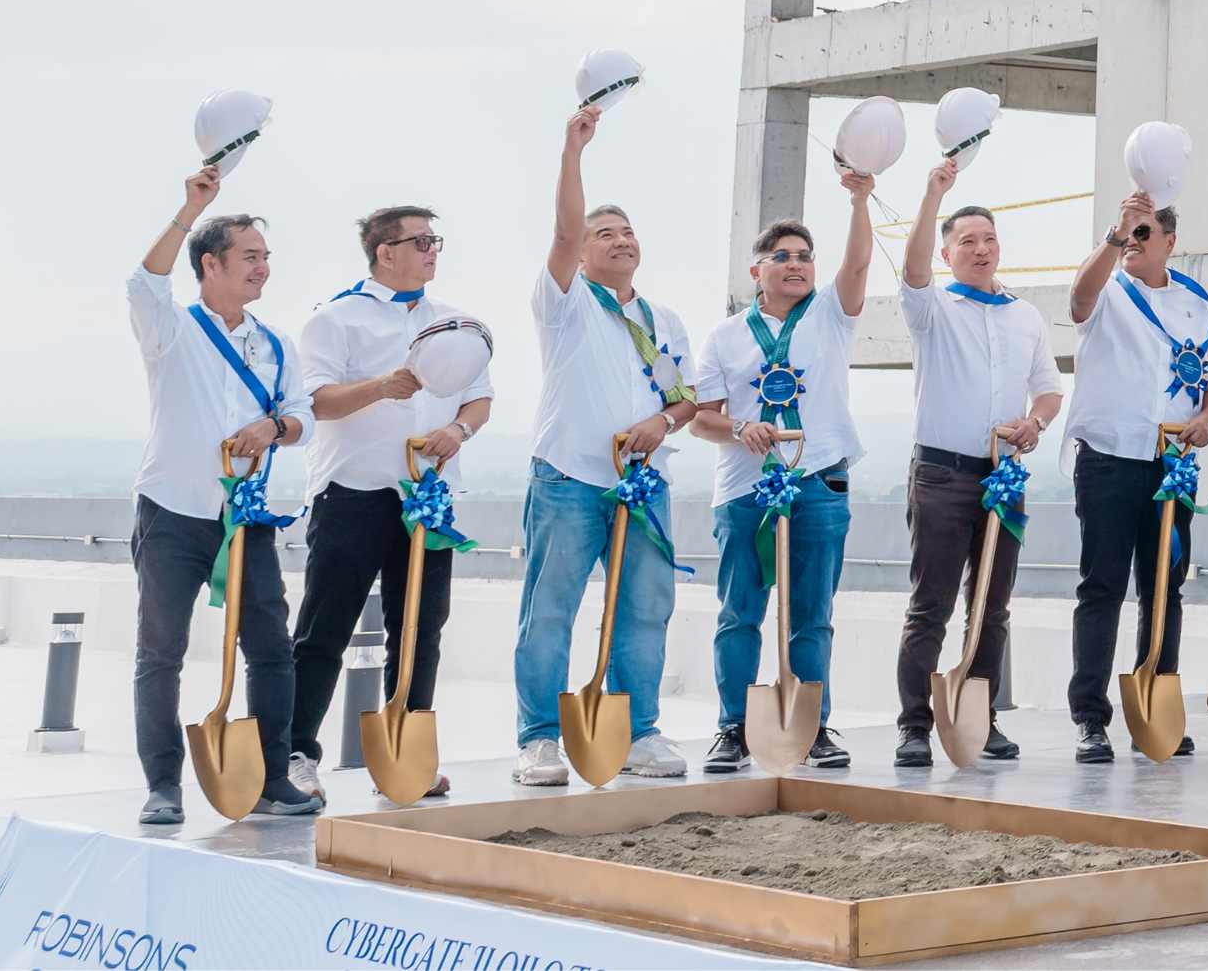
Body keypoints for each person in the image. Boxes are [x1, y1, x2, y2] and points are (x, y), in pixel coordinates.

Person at [125, 157, 317, 826]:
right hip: (174, 512)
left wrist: (274, 427)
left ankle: (271, 777)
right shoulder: (172, 329)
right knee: (161, 650)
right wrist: (189, 208)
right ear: (210, 264)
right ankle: (163, 786)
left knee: (270, 645)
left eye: (266, 256)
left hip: (248, 517)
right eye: (249, 256)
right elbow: (144, 282)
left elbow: (305, 417)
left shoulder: (277, 343)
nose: (263, 267)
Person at [513, 102, 697, 788]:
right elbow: (562, 231)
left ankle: (638, 730)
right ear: (583, 251)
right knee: (551, 612)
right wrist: (573, 153)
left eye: (627, 232)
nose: (620, 240)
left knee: (646, 609)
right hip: (568, 479)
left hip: (643, 484)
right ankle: (537, 740)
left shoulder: (661, 317)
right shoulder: (564, 302)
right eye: (604, 233)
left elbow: (685, 399)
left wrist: (662, 424)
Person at [285, 204, 494, 803]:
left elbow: (478, 399)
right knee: (325, 630)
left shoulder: (455, 322)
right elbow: (317, 403)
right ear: (385, 251)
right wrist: (382, 386)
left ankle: (408, 753)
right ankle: (297, 753)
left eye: (436, 240)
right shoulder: (335, 319)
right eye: (421, 240)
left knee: (421, 630)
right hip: (353, 493)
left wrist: (458, 433)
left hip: (428, 499)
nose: (433, 250)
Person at [689, 166, 875, 773]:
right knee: (740, 609)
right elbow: (700, 419)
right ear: (756, 270)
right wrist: (741, 428)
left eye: (804, 256)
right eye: (781, 256)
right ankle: (733, 727)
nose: (795, 265)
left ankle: (813, 723)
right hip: (745, 490)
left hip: (817, 480)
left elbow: (858, 265)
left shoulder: (829, 316)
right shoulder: (723, 337)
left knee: (812, 613)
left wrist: (860, 201)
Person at [892, 152, 1062, 769]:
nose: (982, 248)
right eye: (967, 240)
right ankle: (913, 725)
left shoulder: (1023, 315)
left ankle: (980, 715)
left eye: (990, 238)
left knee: (992, 604)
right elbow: (910, 270)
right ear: (947, 253)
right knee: (931, 603)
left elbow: (1048, 387)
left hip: (1004, 476)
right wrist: (934, 193)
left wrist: (1035, 423)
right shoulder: (932, 308)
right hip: (941, 474)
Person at [1063, 184, 1208, 763]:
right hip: (1109, 458)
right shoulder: (1107, 286)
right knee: (1102, 586)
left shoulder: (1197, 302)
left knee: (1165, 588)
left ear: (1170, 242)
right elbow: (1077, 302)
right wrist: (1114, 234)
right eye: (1128, 232)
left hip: (1173, 463)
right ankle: (1090, 715)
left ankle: (1155, 706)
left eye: (1144, 233)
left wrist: (1207, 419)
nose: (1134, 242)